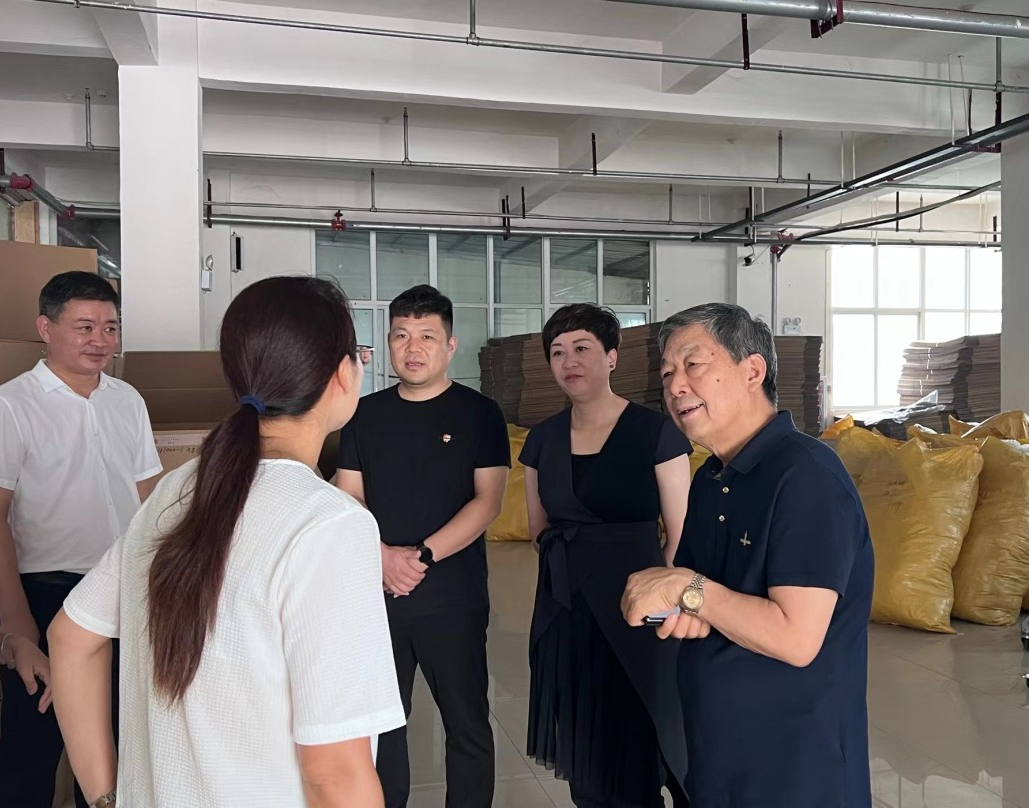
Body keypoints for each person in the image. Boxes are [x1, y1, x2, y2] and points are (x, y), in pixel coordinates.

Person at [46, 276, 405, 807]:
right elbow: (334, 774)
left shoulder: (178, 489)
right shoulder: (330, 523)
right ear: (343, 374)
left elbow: (71, 637)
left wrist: (106, 798)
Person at [621, 303, 874, 808]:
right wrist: (680, 606)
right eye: (667, 373)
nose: (675, 386)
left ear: (752, 370)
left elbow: (795, 638)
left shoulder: (805, 476)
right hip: (720, 756)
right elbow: (705, 603)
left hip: (796, 769)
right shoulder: (711, 478)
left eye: (693, 364)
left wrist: (686, 589)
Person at [336, 284, 510, 808]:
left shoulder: (480, 413)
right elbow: (348, 495)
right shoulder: (363, 413)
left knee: (467, 723)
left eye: (427, 336)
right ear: (388, 341)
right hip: (377, 597)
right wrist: (383, 557)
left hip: (453, 599)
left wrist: (422, 556)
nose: (413, 348)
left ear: (450, 345)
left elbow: (488, 501)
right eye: (401, 335)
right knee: (383, 727)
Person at [0, 271, 162, 808]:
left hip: (124, 591)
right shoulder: (12, 405)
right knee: (34, 746)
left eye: (110, 328)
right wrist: (17, 628)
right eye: (85, 326)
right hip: (47, 595)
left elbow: (149, 498)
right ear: (45, 328)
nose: (101, 340)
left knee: (120, 740)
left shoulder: (127, 399)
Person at [520, 304, 693, 808]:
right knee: (586, 741)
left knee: (638, 734)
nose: (569, 362)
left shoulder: (655, 432)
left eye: (582, 348)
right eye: (557, 353)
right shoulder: (541, 440)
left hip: (638, 609)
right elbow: (538, 529)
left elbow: (681, 534)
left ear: (611, 357)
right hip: (566, 607)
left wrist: (662, 601)